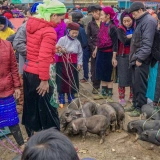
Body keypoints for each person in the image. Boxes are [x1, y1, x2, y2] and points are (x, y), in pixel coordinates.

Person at [22, 0, 66, 138]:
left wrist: (53, 48)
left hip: (28, 71)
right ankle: (55, 141)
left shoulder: (32, 25)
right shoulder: (49, 31)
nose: (60, 21)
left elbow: (37, 48)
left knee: (31, 106)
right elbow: (43, 57)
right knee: (49, 108)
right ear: (53, 15)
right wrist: (44, 80)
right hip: (40, 73)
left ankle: (32, 136)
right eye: (60, 17)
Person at [126, 2, 157, 117]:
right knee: (134, 83)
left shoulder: (148, 21)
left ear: (140, 10)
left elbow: (147, 43)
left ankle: (140, 107)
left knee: (140, 84)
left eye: (134, 14)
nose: (133, 16)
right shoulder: (141, 21)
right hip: (135, 57)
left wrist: (140, 58)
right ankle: (135, 104)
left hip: (141, 59)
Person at [0, 38, 25, 151]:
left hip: (7, 89)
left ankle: (21, 144)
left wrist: (16, 86)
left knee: (12, 119)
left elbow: (13, 67)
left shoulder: (7, 45)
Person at [93, 6, 118, 102]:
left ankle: (109, 95)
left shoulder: (113, 28)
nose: (101, 16)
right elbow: (99, 39)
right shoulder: (103, 24)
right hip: (100, 52)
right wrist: (96, 49)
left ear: (108, 16)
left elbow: (115, 43)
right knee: (101, 73)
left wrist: (114, 57)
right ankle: (103, 93)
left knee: (108, 75)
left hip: (109, 54)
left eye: (102, 14)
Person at [56, 22, 83, 105]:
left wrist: (79, 63)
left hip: (73, 63)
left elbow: (80, 53)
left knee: (72, 80)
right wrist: (61, 51)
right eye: (73, 32)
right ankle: (61, 97)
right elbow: (57, 50)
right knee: (61, 80)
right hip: (62, 63)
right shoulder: (62, 39)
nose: (75, 35)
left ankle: (71, 96)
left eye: (76, 33)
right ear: (68, 31)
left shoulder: (77, 42)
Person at [117, 10, 134, 106]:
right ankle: (121, 97)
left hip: (133, 55)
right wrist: (133, 35)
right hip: (122, 56)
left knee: (133, 77)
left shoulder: (135, 27)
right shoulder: (120, 29)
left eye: (129, 20)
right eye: (125, 21)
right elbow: (124, 40)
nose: (127, 23)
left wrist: (129, 36)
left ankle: (131, 97)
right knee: (122, 78)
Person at [72, 11, 90, 83]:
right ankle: (85, 77)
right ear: (79, 19)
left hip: (73, 49)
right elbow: (85, 41)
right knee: (85, 63)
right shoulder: (81, 29)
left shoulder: (69, 28)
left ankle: (74, 77)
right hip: (83, 48)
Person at [87, 5, 101, 95]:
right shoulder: (90, 24)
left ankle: (105, 88)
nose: (96, 14)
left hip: (105, 49)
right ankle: (95, 87)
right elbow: (89, 37)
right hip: (94, 50)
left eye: (97, 12)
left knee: (103, 68)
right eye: (94, 12)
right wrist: (93, 48)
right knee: (94, 68)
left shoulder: (105, 23)